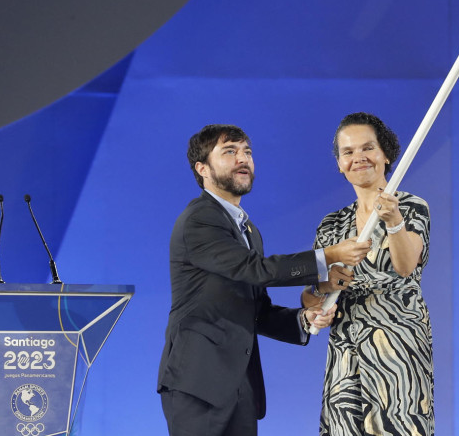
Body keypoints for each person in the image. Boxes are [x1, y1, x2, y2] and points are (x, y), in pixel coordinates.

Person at [157, 124, 371, 436]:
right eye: (229, 152)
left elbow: (256, 310)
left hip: (241, 386)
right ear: (202, 169)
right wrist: (328, 256)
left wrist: (303, 318)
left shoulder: (249, 231)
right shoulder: (199, 219)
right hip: (198, 383)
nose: (242, 158)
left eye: (247, 152)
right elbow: (255, 269)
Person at [302, 112, 434, 436]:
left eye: (368, 148)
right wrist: (319, 301)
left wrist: (394, 221)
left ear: (385, 154)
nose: (358, 157)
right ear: (339, 164)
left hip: (397, 350)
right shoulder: (331, 224)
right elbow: (310, 293)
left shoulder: (411, 206)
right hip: (346, 351)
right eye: (348, 152)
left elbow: (406, 266)